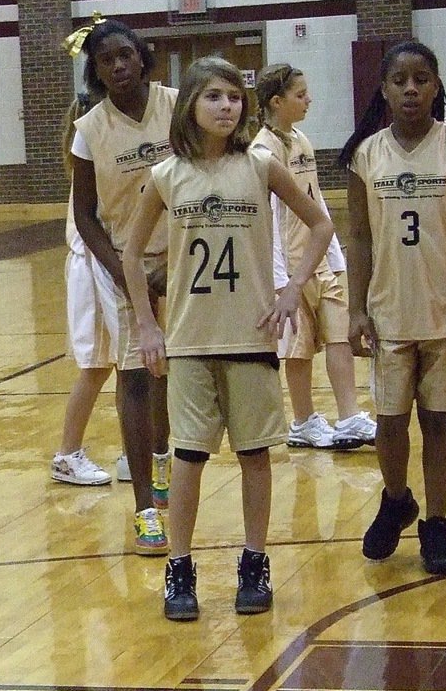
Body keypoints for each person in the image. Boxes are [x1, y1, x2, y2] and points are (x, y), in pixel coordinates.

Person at [122, 56, 335, 620]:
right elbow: (131, 251)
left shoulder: (261, 165)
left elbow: (321, 224)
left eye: (234, 97)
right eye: (214, 96)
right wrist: (147, 323)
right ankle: (180, 567)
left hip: (252, 333)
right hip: (190, 339)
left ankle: (254, 561)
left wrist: (292, 289)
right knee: (189, 458)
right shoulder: (167, 175)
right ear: (190, 105)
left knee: (254, 455)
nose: (226, 106)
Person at [338, 40, 446, 575]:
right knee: (389, 421)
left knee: (437, 421)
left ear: (436, 86)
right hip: (387, 314)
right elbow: (357, 237)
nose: (411, 88)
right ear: (383, 89)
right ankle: (396, 497)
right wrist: (356, 310)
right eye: (400, 80)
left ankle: (435, 522)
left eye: (422, 79)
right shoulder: (366, 154)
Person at [70, 16, 175, 554]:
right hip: (124, 265)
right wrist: (123, 270)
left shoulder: (179, 106)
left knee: (173, 373)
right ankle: (143, 510)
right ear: (97, 70)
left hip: (184, 261)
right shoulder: (89, 130)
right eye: (106, 59)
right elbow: (84, 215)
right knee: (135, 373)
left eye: (125, 56)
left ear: (142, 57)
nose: (117, 66)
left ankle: (164, 461)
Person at [252, 64, 377, 450]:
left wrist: (335, 255)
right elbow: (268, 219)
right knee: (299, 348)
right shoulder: (261, 151)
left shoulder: (302, 140)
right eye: (301, 94)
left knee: (340, 334)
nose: (309, 100)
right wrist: (278, 278)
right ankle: (303, 421)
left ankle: (350, 414)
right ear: (277, 101)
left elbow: (316, 201)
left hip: (318, 259)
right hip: (288, 267)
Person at [51, 90, 120, 486]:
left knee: (130, 367)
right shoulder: (90, 161)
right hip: (91, 269)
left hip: (105, 265)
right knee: (95, 367)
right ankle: (66, 453)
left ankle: (134, 453)